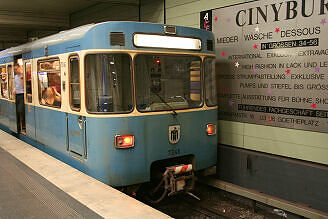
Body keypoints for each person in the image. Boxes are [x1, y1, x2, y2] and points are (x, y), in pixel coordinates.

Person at [14, 63, 25, 133]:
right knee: (17, 111)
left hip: (22, 94)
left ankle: (23, 125)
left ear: (19, 68)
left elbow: (24, 85)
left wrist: (22, 77)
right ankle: (19, 127)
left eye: (16, 69)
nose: (15, 70)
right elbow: (15, 85)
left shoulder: (23, 75)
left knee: (20, 110)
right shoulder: (15, 76)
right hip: (17, 95)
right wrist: (14, 89)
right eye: (14, 69)